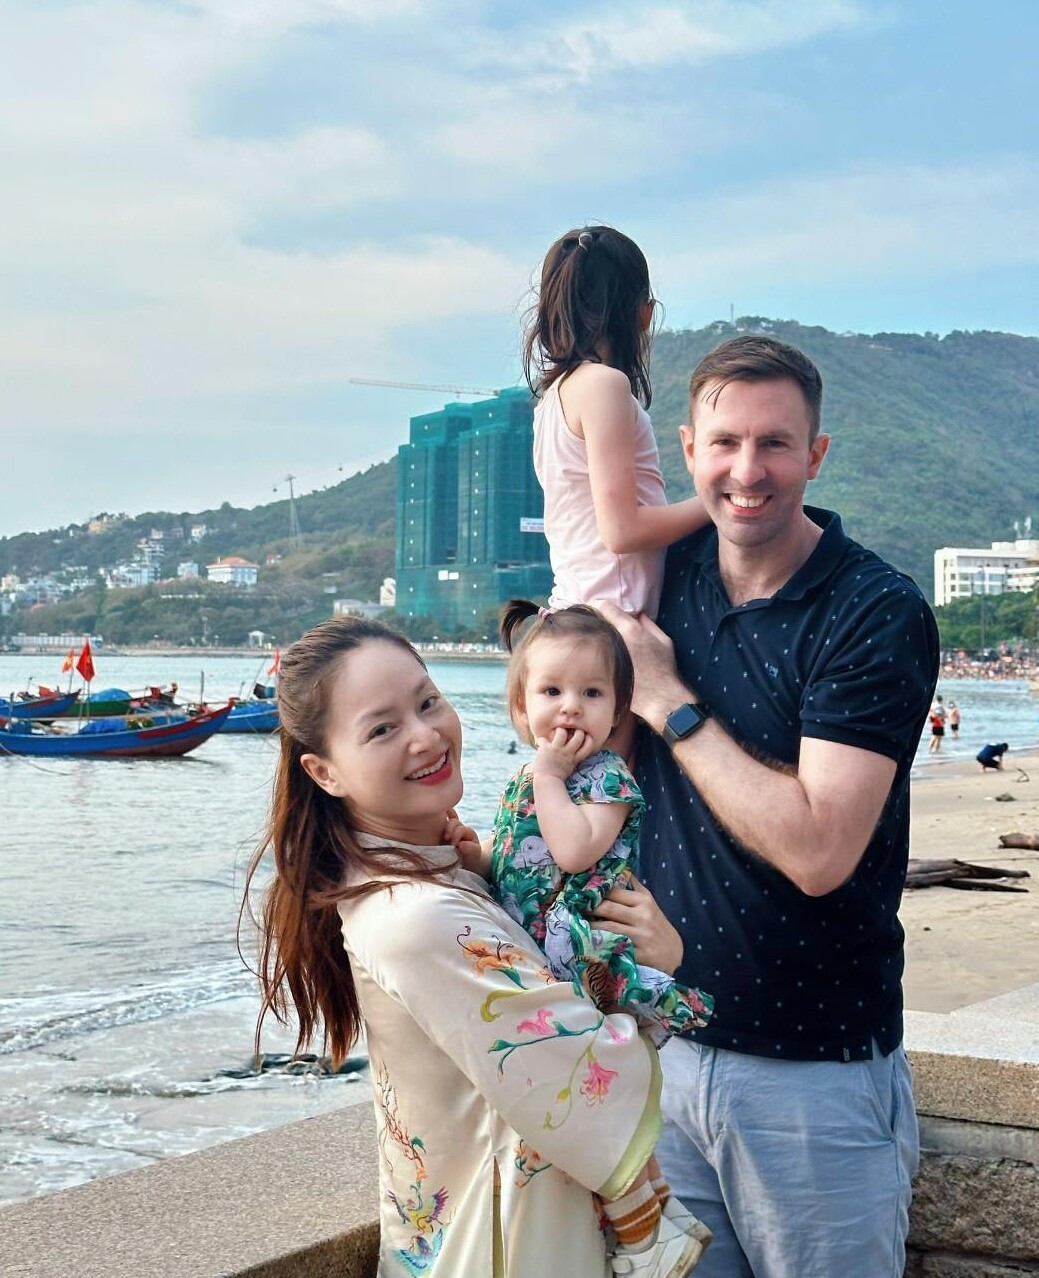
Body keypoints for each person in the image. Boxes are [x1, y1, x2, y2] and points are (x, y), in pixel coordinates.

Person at [599, 335, 940, 1278]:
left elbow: (820, 850)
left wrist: (669, 704)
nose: (746, 472)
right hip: (662, 1054)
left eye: (775, 444)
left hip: (813, 1077)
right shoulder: (660, 580)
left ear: (815, 455)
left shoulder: (871, 610)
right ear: (688, 449)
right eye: (724, 443)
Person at [243, 616, 702, 1278]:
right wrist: (657, 970)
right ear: (324, 771)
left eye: (428, 702)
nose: (426, 736)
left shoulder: (434, 873)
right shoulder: (418, 917)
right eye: (382, 729)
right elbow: (586, 1067)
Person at [479, 600, 714, 1269]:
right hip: (533, 952)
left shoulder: (607, 778)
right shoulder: (529, 778)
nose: (570, 708)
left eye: (591, 693)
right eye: (551, 691)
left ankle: (644, 1226)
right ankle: (626, 1218)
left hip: (578, 948)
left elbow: (575, 849)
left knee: (596, 1097)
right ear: (521, 708)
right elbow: (512, 856)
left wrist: (550, 777)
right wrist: (471, 851)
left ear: (617, 711)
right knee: (562, 1100)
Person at [524, 225, 710, 752]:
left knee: (579, 787)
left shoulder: (553, 397)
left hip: (577, 619)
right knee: (609, 792)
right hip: (612, 627)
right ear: (643, 313)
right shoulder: (605, 385)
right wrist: (714, 504)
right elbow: (623, 530)